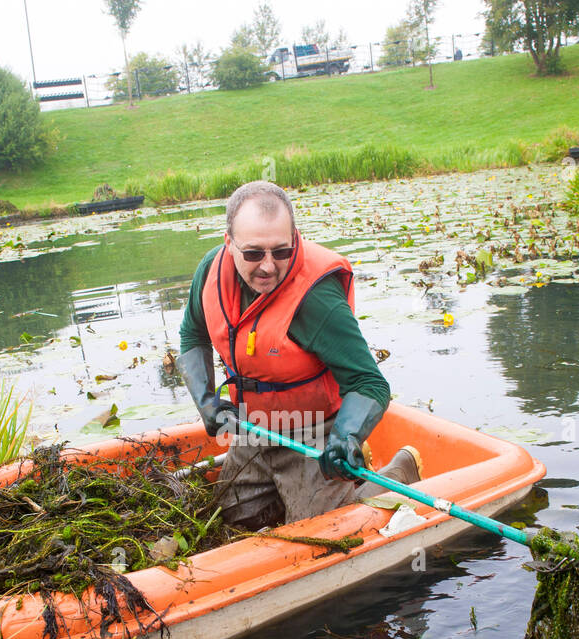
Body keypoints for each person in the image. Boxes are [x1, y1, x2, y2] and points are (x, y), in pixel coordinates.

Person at [176, 180, 421, 530]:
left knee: (322, 529)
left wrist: (347, 436)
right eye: (253, 253)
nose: (268, 266)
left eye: (281, 251)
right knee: (233, 518)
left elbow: (370, 382)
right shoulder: (210, 274)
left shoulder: (317, 300)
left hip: (314, 431)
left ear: (295, 239)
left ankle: (398, 471)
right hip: (253, 426)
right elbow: (192, 334)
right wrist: (207, 402)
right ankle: (300, 485)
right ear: (229, 243)